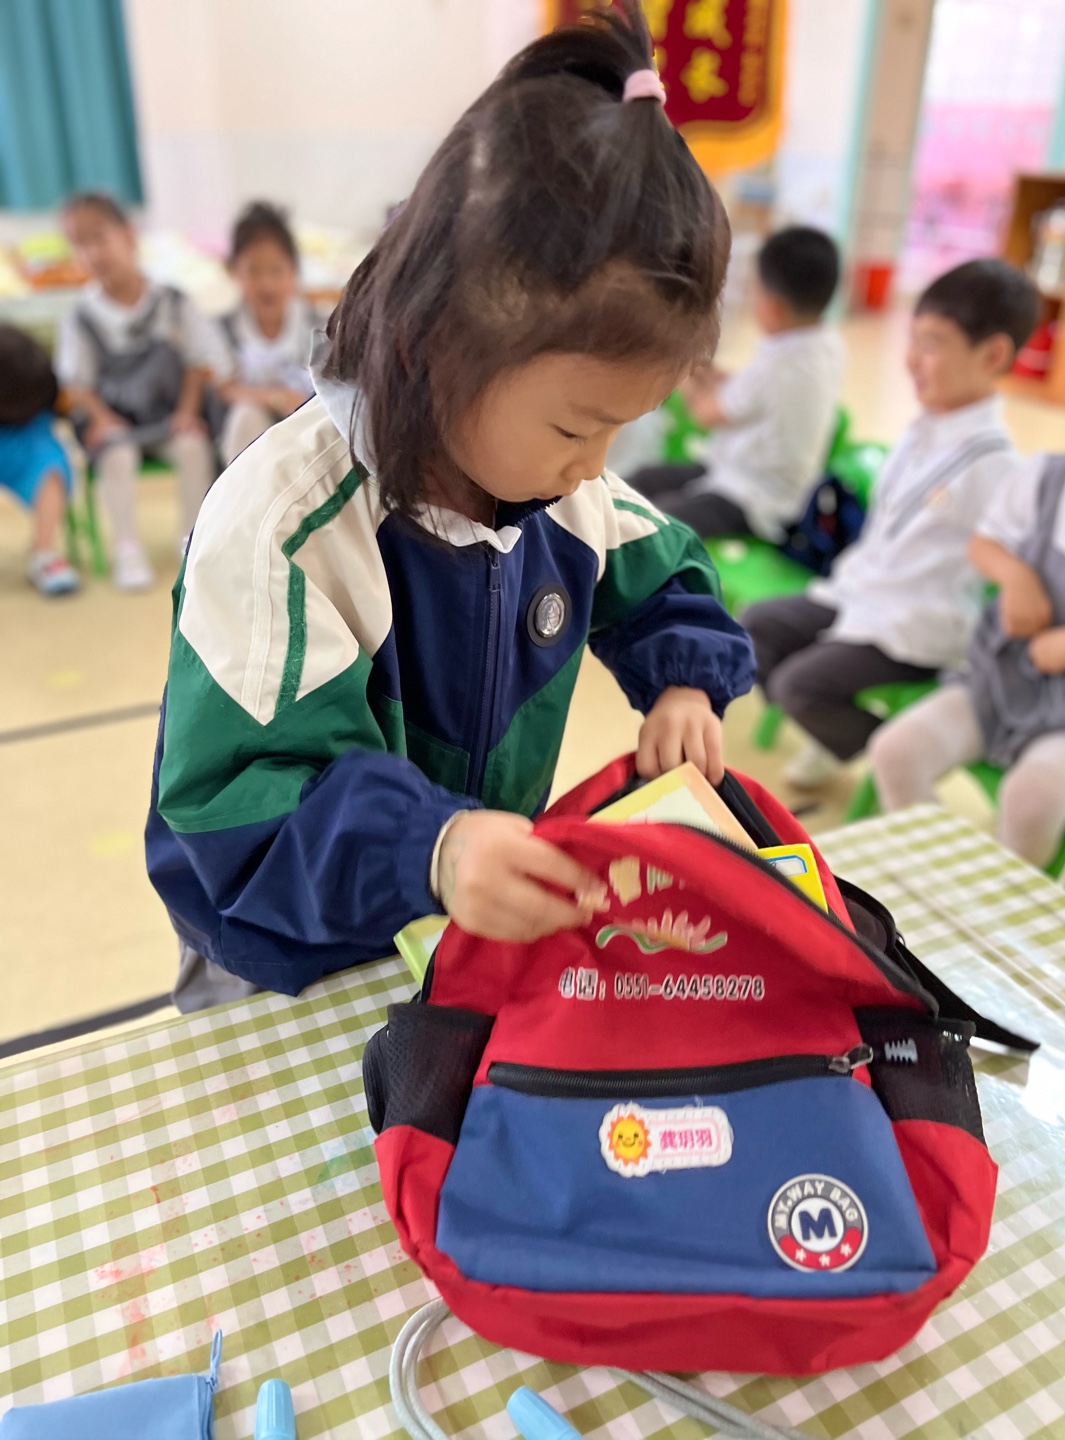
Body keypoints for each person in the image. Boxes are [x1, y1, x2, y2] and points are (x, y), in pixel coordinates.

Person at [145, 2, 756, 1011]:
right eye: (576, 428)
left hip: (451, 909)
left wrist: (686, 682)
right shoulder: (282, 531)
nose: (595, 469)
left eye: (619, 432)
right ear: (437, 350)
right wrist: (429, 844)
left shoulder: (561, 490)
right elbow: (246, 805)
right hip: (283, 952)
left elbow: (665, 571)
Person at [742, 258, 1038, 789]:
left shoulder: (998, 466)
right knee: (754, 628)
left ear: (992, 355)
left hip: (915, 626)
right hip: (861, 591)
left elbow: (1021, 561)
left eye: (933, 344)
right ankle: (835, 736)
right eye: (913, 339)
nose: (912, 359)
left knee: (799, 686)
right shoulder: (924, 426)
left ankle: (897, 752)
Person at [870, 452, 1065, 868]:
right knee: (896, 752)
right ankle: (930, 876)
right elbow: (986, 542)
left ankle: (1001, 895)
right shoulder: (1051, 473)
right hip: (1004, 674)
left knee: (1032, 802)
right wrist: (1015, 576)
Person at [57, 193, 230, 590]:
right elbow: (78, 382)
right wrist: (102, 418)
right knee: (116, 455)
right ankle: (127, 547)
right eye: (79, 244)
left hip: (169, 418)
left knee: (193, 447)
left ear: (128, 235)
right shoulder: (82, 316)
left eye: (99, 237)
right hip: (116, 422)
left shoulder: (171, 301)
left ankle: (192, 540)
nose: (92, 253)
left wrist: (187, 410)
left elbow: (198, 360)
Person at [627, 225, 844, 539]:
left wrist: (676, 364)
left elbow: (705, 414)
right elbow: (748, 391)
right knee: (643, 481)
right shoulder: (825, 345)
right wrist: (699, 368)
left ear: (773, 308)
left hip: (750, 496)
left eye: (754, 290)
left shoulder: (779, 367)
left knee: (654, 521)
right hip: (751, 475)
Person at [215, 201, 317, 466]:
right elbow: (224, 387)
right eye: (254, 271)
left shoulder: (319, 327)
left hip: (304, 434)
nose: (266, 283)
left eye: (276, 270)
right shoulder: (225, 330)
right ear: (233, 271)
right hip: (248, 436)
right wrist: (275, 397)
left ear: (294, 271)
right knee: (246, 415)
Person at [0, 324, 79, 596]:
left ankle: (44, 555)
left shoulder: (32, 366)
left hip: (31, 430)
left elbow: (62, 405)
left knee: (50, 468)